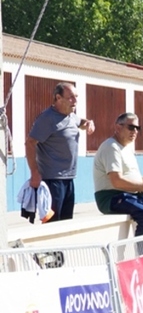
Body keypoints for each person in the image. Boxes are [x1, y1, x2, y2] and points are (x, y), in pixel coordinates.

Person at [25, 82, 95, 221]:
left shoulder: (71, 115)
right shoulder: (47, 118)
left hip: (69, 179)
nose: (75, 101)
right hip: (53, 180)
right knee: (53, 222)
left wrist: (89, 123)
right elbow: (30, 143)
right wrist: (34, 173)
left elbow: (80, 122)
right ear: (58, 98)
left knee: (66, 223)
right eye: (70, 97)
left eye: (76, 97)